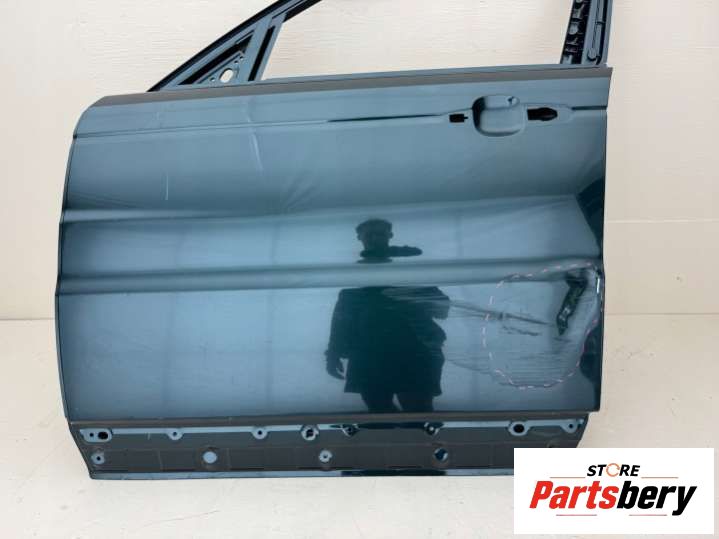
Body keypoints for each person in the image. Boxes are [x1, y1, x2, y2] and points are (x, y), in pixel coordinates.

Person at [324, 219, 449, 412]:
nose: (375, 239)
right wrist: (333, 354)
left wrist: (412, 276)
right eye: (370, 234)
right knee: (381, 412)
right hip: (374, 353)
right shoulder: (355, 280)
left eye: (380, 234)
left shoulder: (409, 272)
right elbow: (342, 320)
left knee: (414, 411)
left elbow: (441, 308)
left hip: (411, 351)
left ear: (389, 236)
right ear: (360, 237)